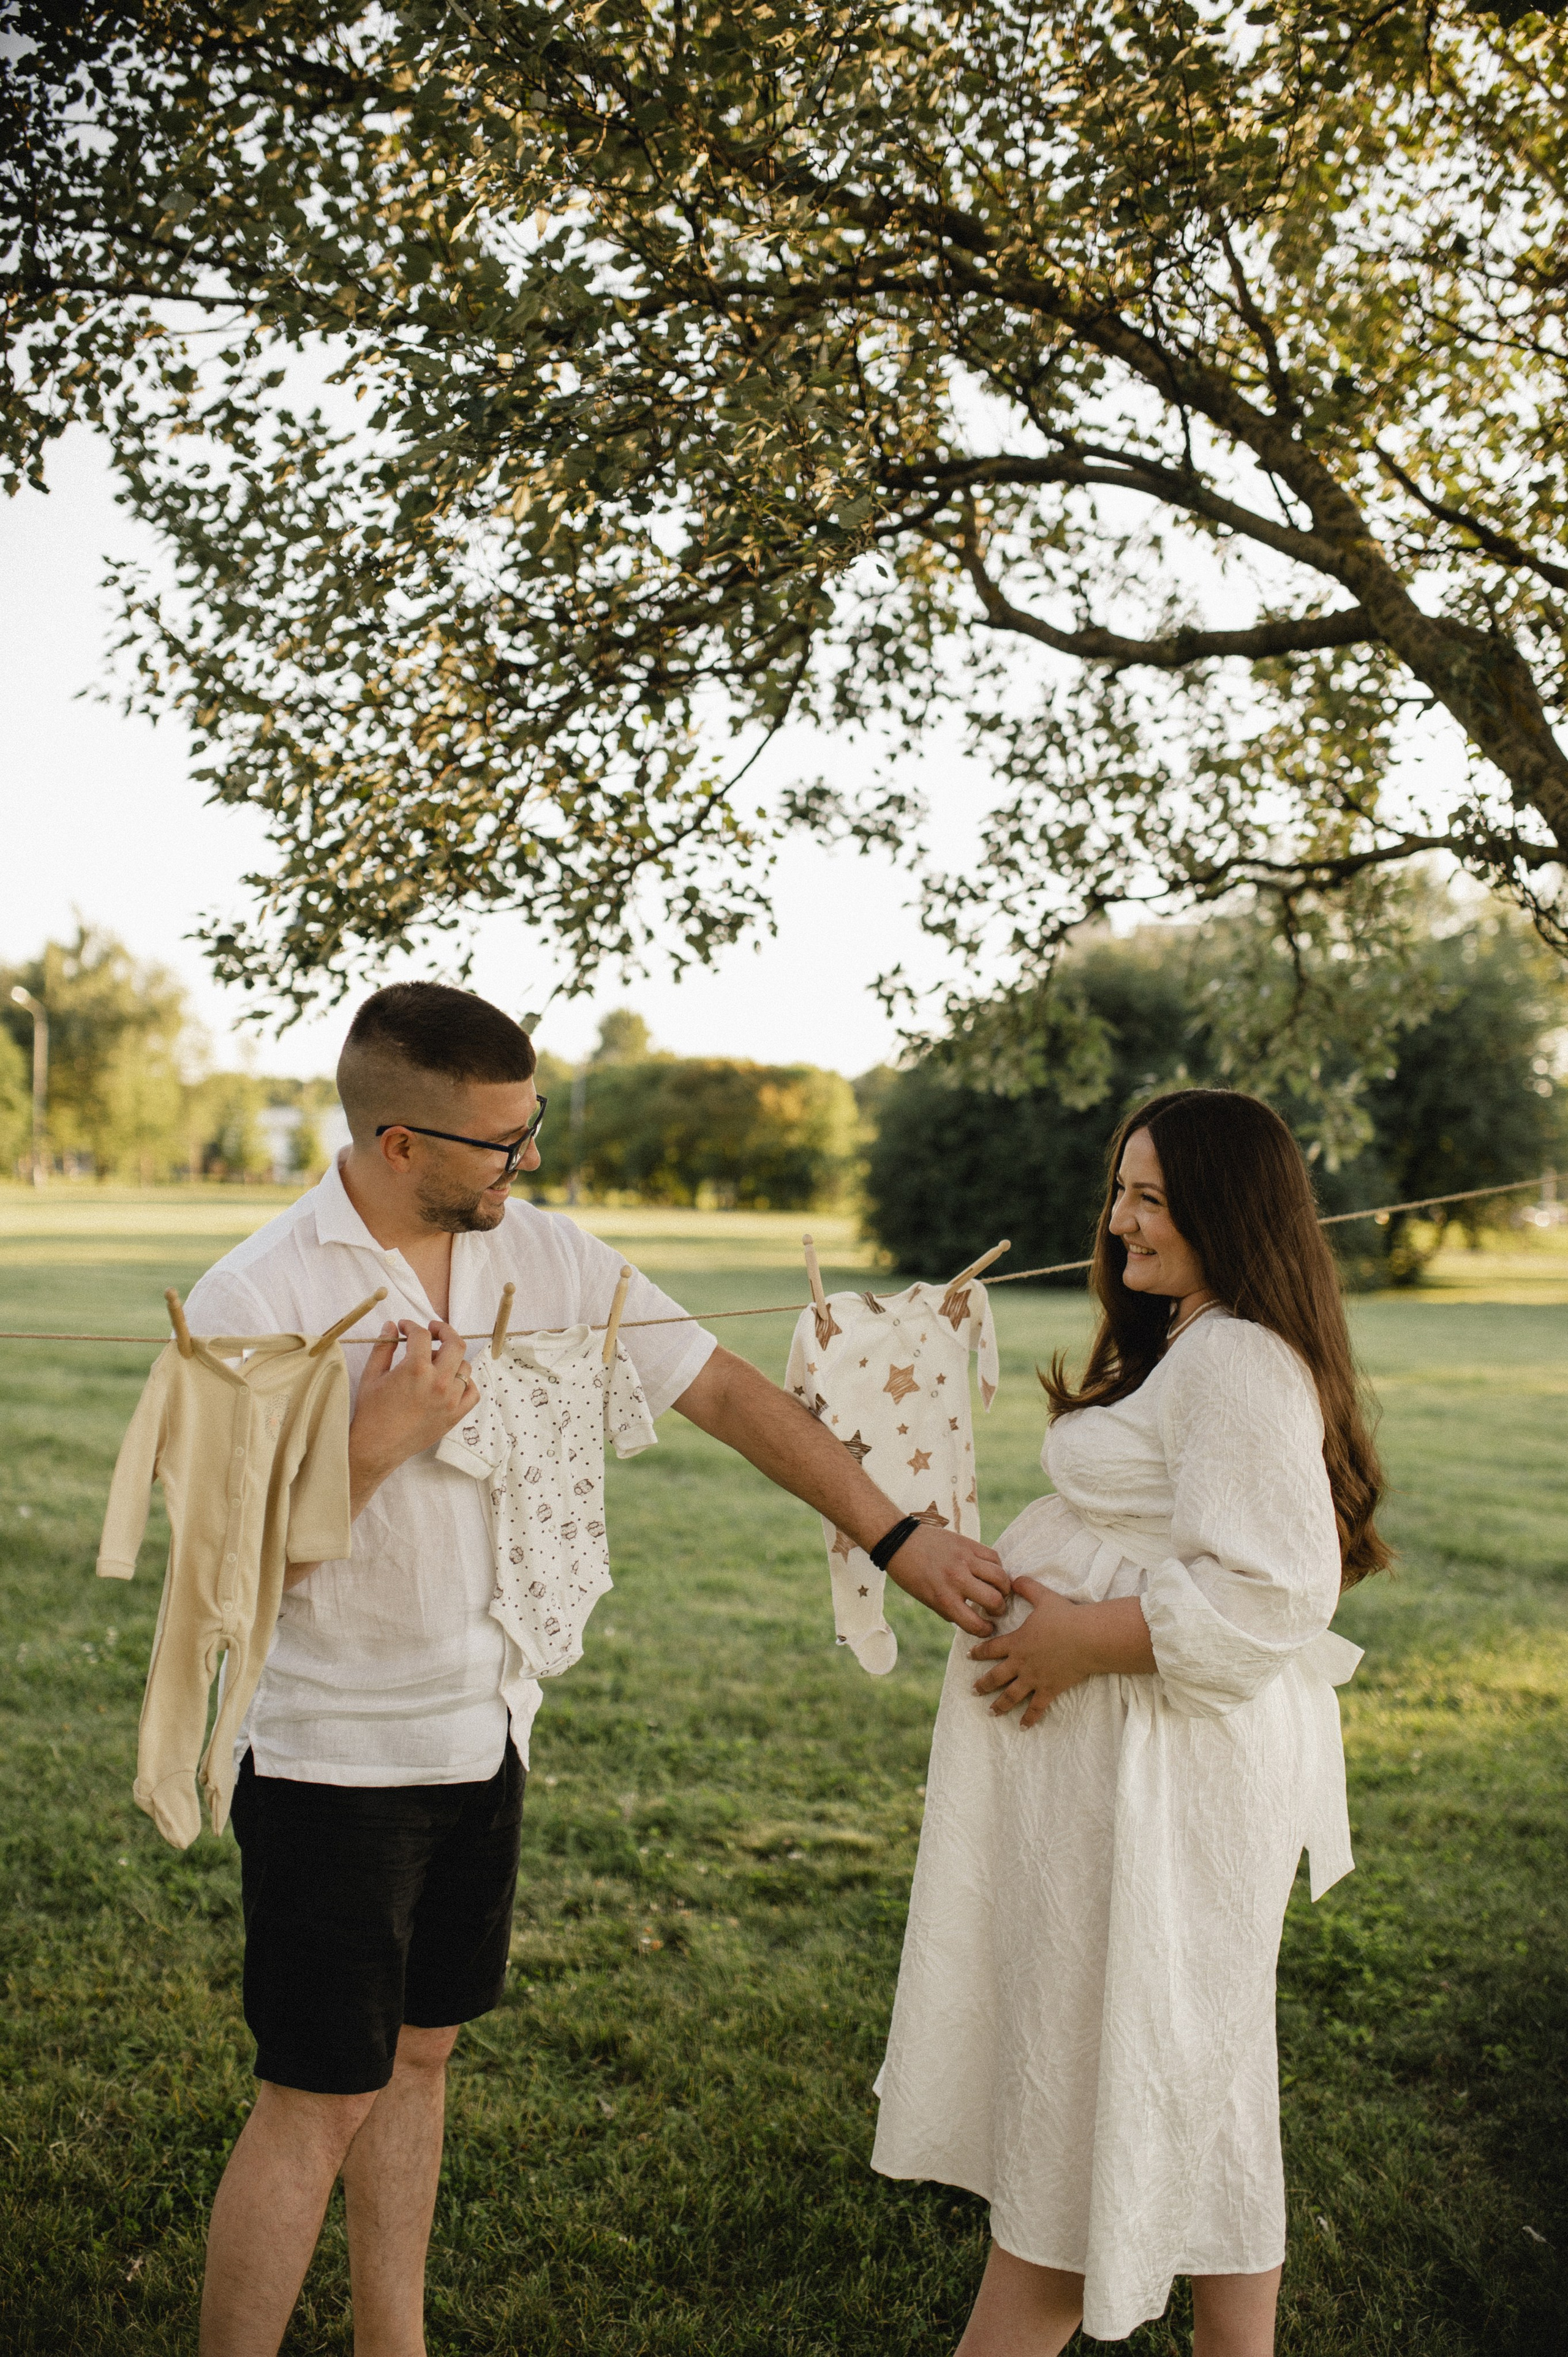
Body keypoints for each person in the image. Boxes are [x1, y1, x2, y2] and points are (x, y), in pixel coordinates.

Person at [184, 982, 1008, 2357]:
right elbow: (222, 1571)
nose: (529, 1162)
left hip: (486, 1734)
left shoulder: (552, 1259)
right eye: (501, 1142)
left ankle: (397, 2340)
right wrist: (376, 1437)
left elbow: (731, 1394)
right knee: (313, 2096)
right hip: (335, 1756)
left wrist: (899, 1535)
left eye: (533, 1128)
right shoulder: (257, 1292)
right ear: (398, 1143)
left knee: (425, 2057)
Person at [870, 1088, 1388, 2357]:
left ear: (1229, 1206)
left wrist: (1073, 1636)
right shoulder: (1194, 1339)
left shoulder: (1236, 1357)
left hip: (1170, 1778)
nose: (1117, 1221)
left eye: (1149, 1197)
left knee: (1112, 2068)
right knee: (1195, 2067)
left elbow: (1273, 1588)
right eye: (1119, 1190)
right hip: (1132, 1771)